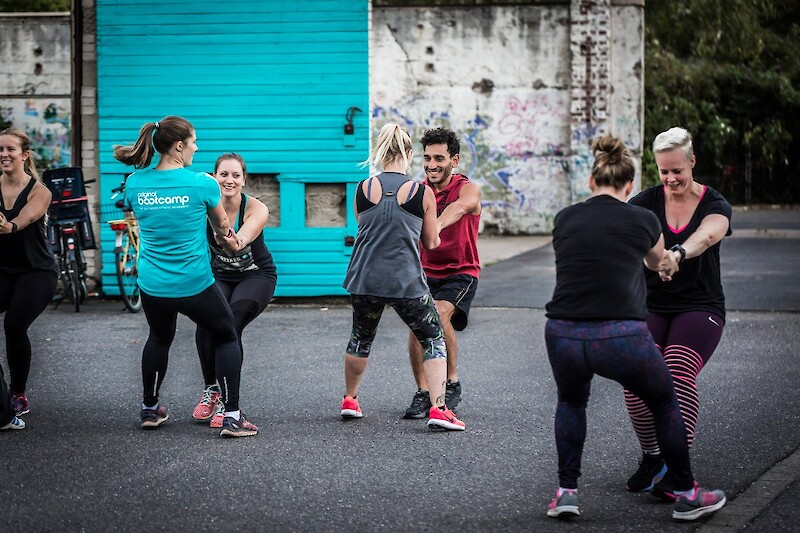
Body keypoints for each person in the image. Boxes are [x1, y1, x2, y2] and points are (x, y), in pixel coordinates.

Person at [543, 134, 725, 521]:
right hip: (619, 333)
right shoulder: (643, 215)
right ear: (630, 186)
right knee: (663, 398)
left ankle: (566, 493)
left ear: (591, 182)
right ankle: (688, 491)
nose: (670, 177)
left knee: (572, 402)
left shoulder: (565, 218)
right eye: (664, 171)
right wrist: (665, 258)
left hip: (563, 331)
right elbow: (655, 260)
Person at [112, 116, 258, 437]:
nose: (197, 146)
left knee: (159, 338)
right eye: (194, 141)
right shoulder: (203, 183)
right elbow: (221, 229)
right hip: (194, 283)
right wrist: (229, 237)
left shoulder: (135, 183)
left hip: (153, 283)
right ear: (179, 146)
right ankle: (231, 416)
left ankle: (150, 409)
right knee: (226, 336)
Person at [623, 127, 732, 499]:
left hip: (699, 307)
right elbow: (626, 239)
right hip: (651, 306)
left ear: (692, 162)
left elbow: (710, 234)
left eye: (677, 171)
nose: (670, 179)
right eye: (663, 171)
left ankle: (676, 469)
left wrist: (678, 254)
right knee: (636, 381)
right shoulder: (643, 202)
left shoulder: (713, 202)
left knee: (677, 370)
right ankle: (653, 457)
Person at [340, 123, 464, 431]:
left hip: (364, 278)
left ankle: (350, 401)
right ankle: (438, 409)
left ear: (380, 153)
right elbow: (431, 242)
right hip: (405, 281)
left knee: (361, 338)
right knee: (433, 338)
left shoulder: (361, 189)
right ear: (409, 154)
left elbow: (364, 228)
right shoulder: (421, 192)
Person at [192, 153, 277, 428]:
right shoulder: (204, 207)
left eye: (235, 175)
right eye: (223, 174)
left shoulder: (256, 208)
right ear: (215, 177)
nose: (229, 180)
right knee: (206, 323)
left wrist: (222, 232)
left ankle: (231, 408)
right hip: (220, 275)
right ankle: (211, 391)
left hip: (256, 275)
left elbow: (239, 242)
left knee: (230, 323)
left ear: (244, 180)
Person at [403, 127, 482, 419]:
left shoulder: (467, 188)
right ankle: (424, 392)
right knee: (416, 325)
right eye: (427, 158)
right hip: (423, 270)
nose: (431, 164)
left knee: (435, 313)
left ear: (454, 160)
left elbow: (461, 208)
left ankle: (452, 383)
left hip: (460, 271)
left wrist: (434, 225)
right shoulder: (416, 190)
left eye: (439, 158)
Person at [0, 127, 59, 431]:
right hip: (3, 270)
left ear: (24, 155)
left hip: (36, 271)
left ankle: (17, 393)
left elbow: (31, 215)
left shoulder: (40, 190)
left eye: (10, 149)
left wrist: (10, 225)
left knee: (14, 325)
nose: (4, 155)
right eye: (0, 150)